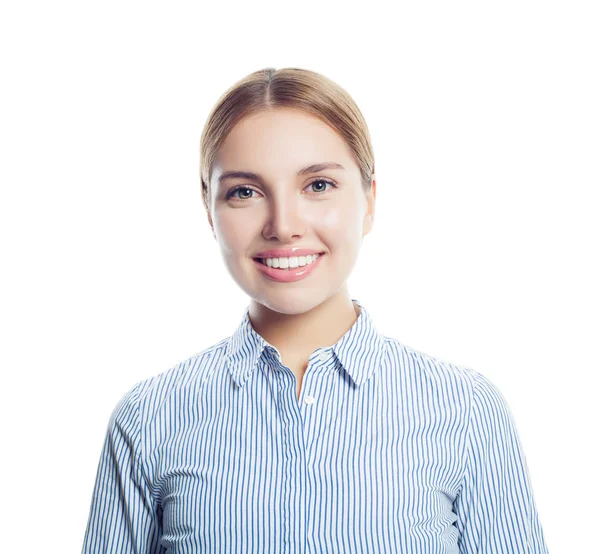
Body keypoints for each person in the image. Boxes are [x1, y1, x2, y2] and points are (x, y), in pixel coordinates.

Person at [81, 67, 549, 553]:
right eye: (245, 192)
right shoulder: (147, 420)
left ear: (369, 201)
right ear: (209, 213)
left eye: (319, 185)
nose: (283, 226)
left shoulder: (467, 411)